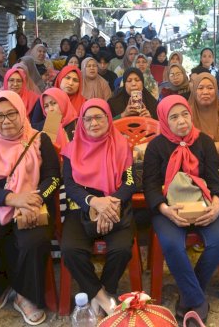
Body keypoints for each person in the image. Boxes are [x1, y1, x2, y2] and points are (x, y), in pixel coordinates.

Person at [0, 90, 60, 325]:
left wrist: (33, 200)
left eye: (11, 114)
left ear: (22, 111)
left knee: (33, 242)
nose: (5, 121)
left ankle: (25, 296)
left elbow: (53, 178)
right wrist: (11, 198)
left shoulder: (39, 139)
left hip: (32, 202)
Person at [143, 95, 219, 322]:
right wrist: (164, 210)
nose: (181, 121)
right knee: (172, 243)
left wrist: (217, 205)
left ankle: (189, 292)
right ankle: (197, 300)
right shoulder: (156, 146)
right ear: (164, 120)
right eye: (174, 117)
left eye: (184, 115)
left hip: (204, 202)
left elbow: (215, 180)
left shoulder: (205, 142)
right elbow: (150, 186)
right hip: (170, 208)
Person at [60, 98, 136, 317]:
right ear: (81, 123)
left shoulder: (122, 146)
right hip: (82, 206)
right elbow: (70, 184)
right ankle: (102, 297)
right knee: (71, 250)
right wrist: (94, 202)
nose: (93, 123)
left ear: (108, 118)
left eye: (98, 117)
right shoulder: (71, 150)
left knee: (122, 249)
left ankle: (105, 290)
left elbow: (130, 181)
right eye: (88, 119)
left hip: (114, 205)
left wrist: (110, 202)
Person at [188, 72, 219, 142]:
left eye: (210, 88)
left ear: (216, 90)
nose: (205, 92)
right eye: (200, 88)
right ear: (195, 91)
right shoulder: (187, 114)